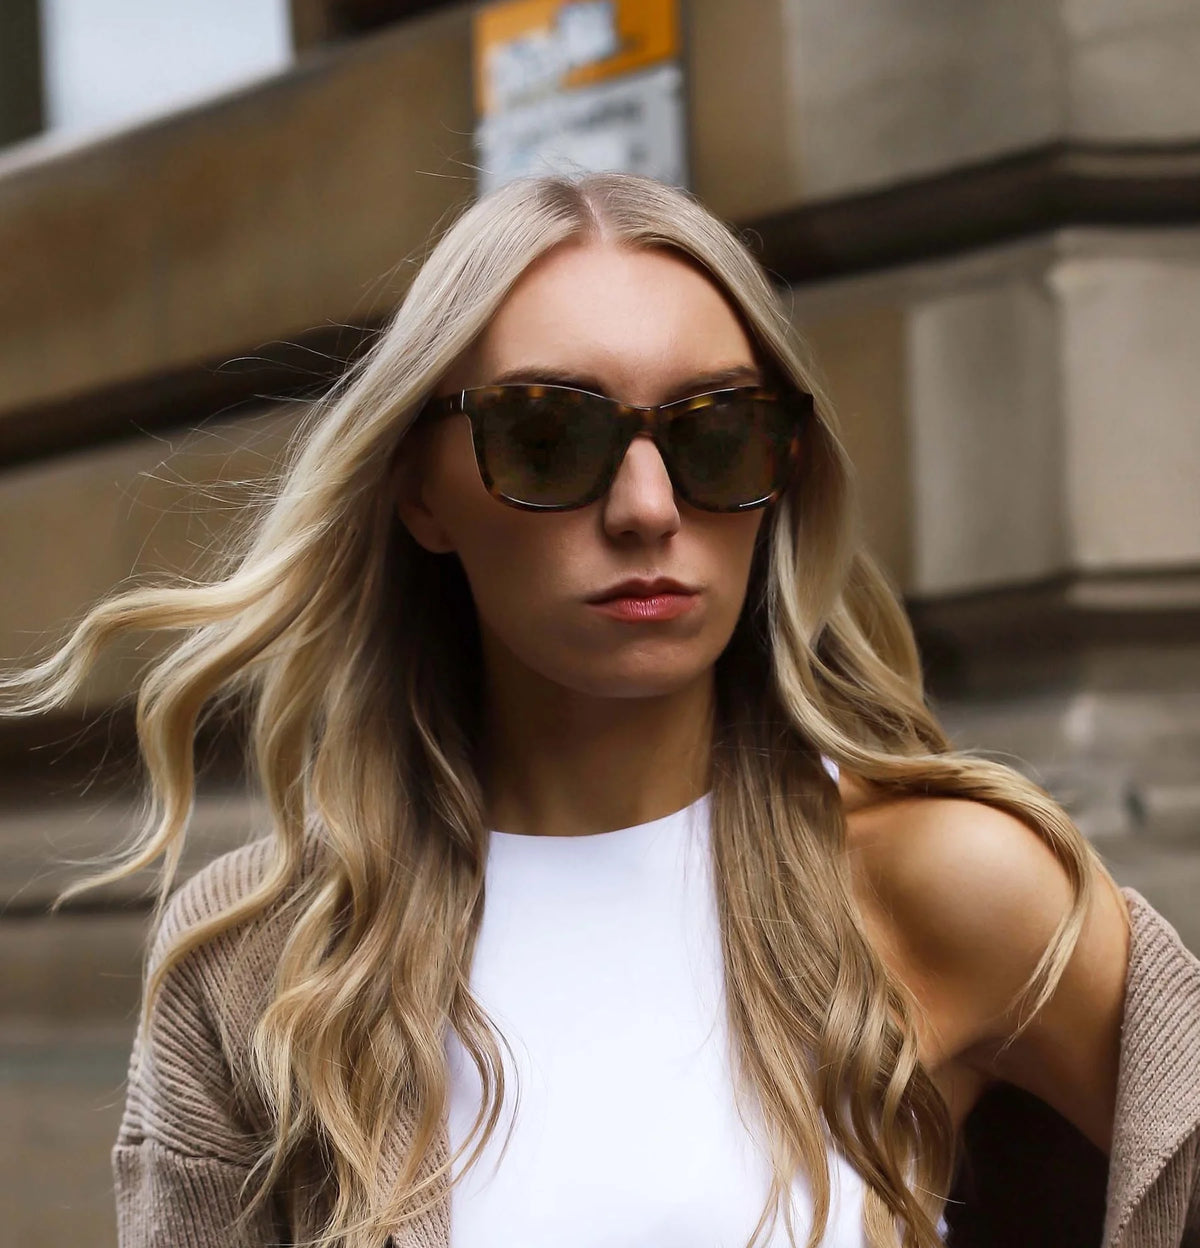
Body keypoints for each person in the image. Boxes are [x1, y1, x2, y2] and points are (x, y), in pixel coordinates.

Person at [3, 172, 1198, 1248]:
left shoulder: (938, 883)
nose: (644, 507)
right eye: (547, 433)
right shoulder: (262, 959)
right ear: (422, 489)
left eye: (717, 432)